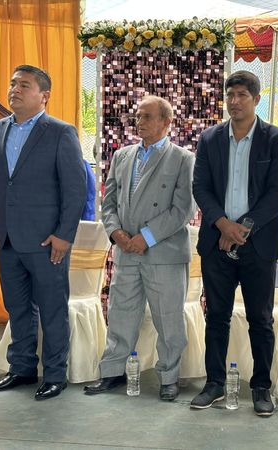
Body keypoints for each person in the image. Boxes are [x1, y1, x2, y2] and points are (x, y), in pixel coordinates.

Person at [0, 65, 87, 400]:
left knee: (52, 310)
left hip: (47, 241)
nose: (15, 89)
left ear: (44, 96)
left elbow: (75, 189)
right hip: (7, 239)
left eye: (24, 85)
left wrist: (64, 235)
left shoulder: (61, 132)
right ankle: (21, 369)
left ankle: (55, 375)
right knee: (17, 308)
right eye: (13, 83)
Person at [191, 70, 278, 416]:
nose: (234, 102)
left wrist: (241, 230)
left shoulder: (277, 140)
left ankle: (261, 387)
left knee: (260, 319)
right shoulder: (210, 139)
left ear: (256, 100)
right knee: (216, 316)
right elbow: (200, 186)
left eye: (242, 96)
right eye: (230, 95)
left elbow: (277, 193)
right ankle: (214, 384)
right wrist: (222, 224)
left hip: (258, 245)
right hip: (216, 243)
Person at [83, 95, 195, 401]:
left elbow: (184, 209)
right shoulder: (122, 156)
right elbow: (108, 201)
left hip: (164, 253)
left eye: (147, 116)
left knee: (168, 319)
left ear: (166, 122)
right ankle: (112, 372)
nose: (139, 122)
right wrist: (116, 232)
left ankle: (169, 377)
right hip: (126, 250)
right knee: (121, 313)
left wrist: (146, 237)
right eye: (137, 116)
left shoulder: (183, 159)